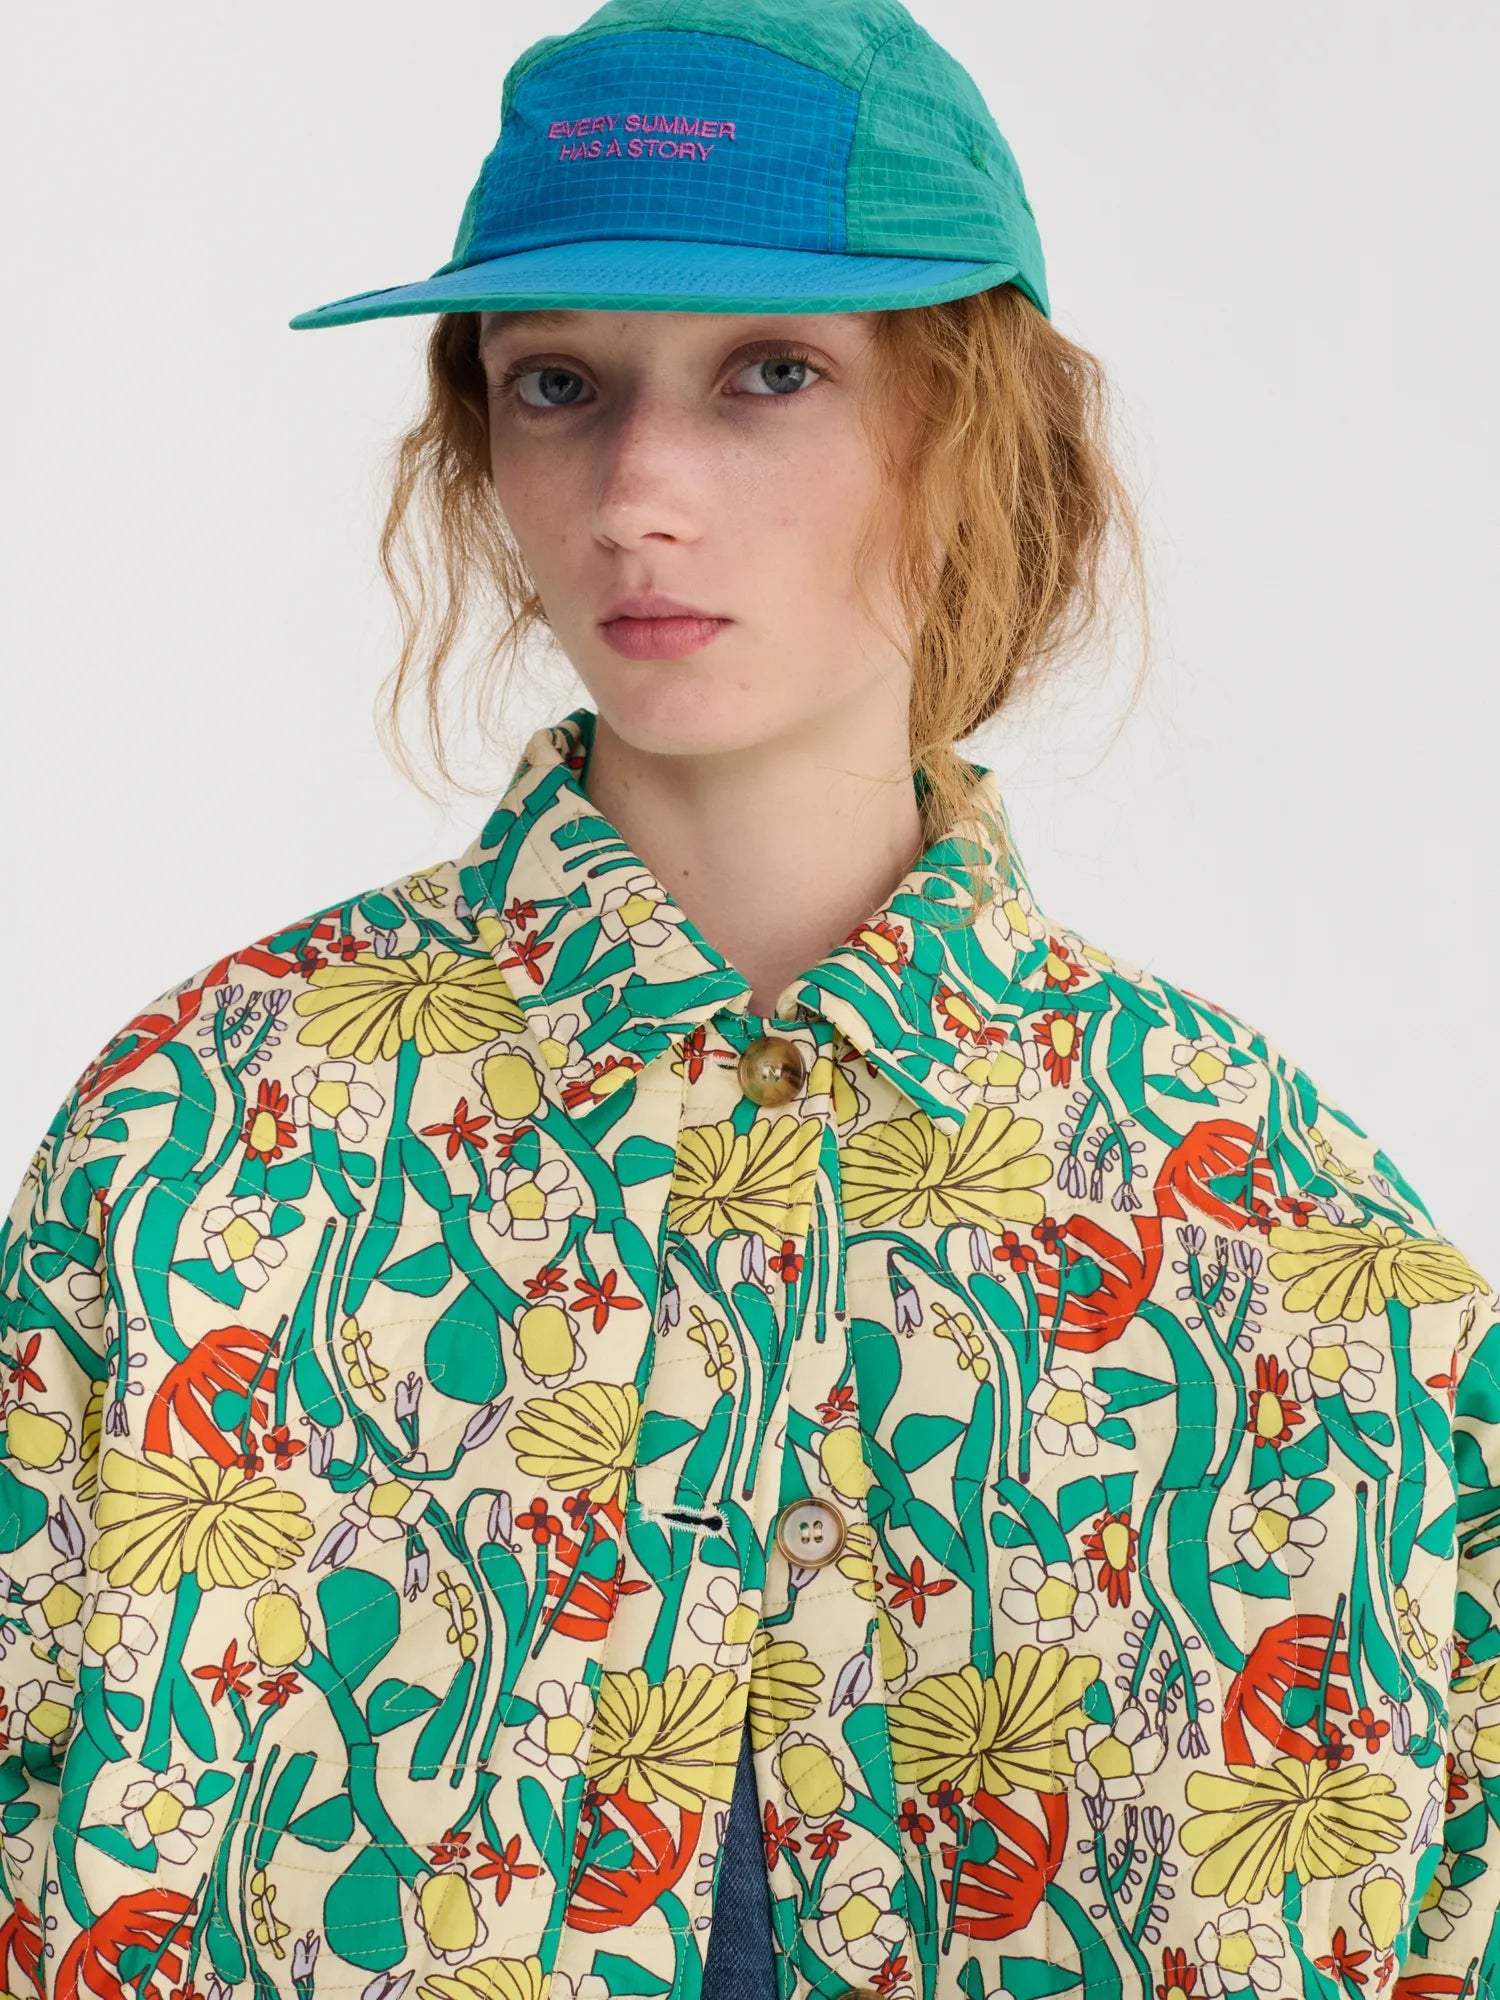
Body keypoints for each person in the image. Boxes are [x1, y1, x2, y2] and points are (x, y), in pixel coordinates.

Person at [1, 1, 1495, 1997]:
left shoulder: (1286, 1240)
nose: (637, 490)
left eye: (772, 373)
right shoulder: (196, 1152)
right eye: (557, 384)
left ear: (976, 424)